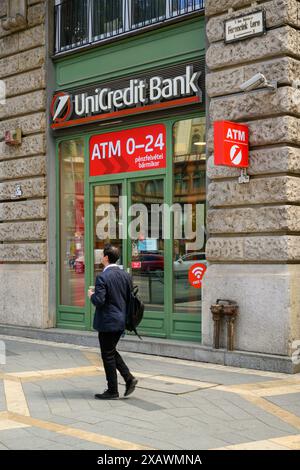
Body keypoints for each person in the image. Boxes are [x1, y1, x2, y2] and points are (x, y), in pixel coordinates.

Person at [88, 244, 138, 400]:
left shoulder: (103, 277)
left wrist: (91, 295)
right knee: (110, 351)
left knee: (107, 354)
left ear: (106, 258)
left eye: (103, 255)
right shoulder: (125, 275)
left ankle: (113, 390)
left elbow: (99, 301)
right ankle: (129, 379)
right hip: (121, 320)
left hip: (108, 322)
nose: (102, 257)